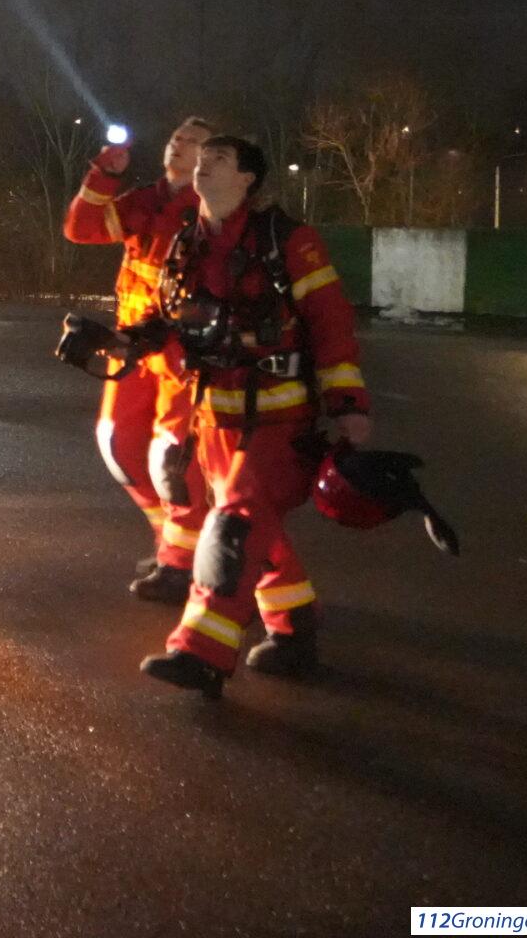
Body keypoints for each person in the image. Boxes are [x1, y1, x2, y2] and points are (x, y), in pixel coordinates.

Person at [139, 136, 370, 698]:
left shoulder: (288, 241)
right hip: (213, 421)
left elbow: (331, 322)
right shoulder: (186, 243)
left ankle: (200, 653)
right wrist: (126, 340)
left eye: (220, 159)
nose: (204, 164)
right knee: (254, 525)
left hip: (278, 423)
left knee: (234, 529)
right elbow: (170, 319)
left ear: (248, 179)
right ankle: (294, 631)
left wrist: (348, 404)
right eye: (203, 158)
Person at [62, 118, 213, 602]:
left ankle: (181, 565)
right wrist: (105, 174)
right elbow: (80, 228)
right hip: (132, 343)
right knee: (119, 446)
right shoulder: (146, 199)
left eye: (192, 142)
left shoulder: (212, 209)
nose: (179, 145)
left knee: (174, 457)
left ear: (210, 158)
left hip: (180, 349)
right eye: (175, 138)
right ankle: (171, 540)